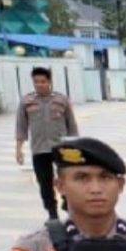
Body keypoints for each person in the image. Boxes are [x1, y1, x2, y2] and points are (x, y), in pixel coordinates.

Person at [16, 65, 79, 215]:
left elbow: (72, 124)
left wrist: (75, 146)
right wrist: (18, 149)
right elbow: (21, 126)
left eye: (42, 81)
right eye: (36, 82)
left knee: (67, 178)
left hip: (61, 148)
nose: (39, 85)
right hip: (39, 149)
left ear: (49, 81)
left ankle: (66, 201)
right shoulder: (26, 101)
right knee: (44, 183)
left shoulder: (61, 100)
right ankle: (52, 212)